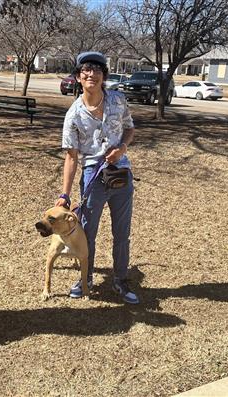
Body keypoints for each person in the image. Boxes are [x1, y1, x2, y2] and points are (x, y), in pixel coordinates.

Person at [55, 52, 139, 304]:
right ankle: (85, 278)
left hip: (121, 174)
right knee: (87, 232)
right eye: (86, 71)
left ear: (104, 76)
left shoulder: (118, 99)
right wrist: (65, 195)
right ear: (79, 77)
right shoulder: (73, 115)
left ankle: (121, 281)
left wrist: (122, 148)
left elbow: (130, 128)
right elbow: (71, 158)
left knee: (121, 233)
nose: (91, 75)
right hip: (93, 176)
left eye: (97, 71)